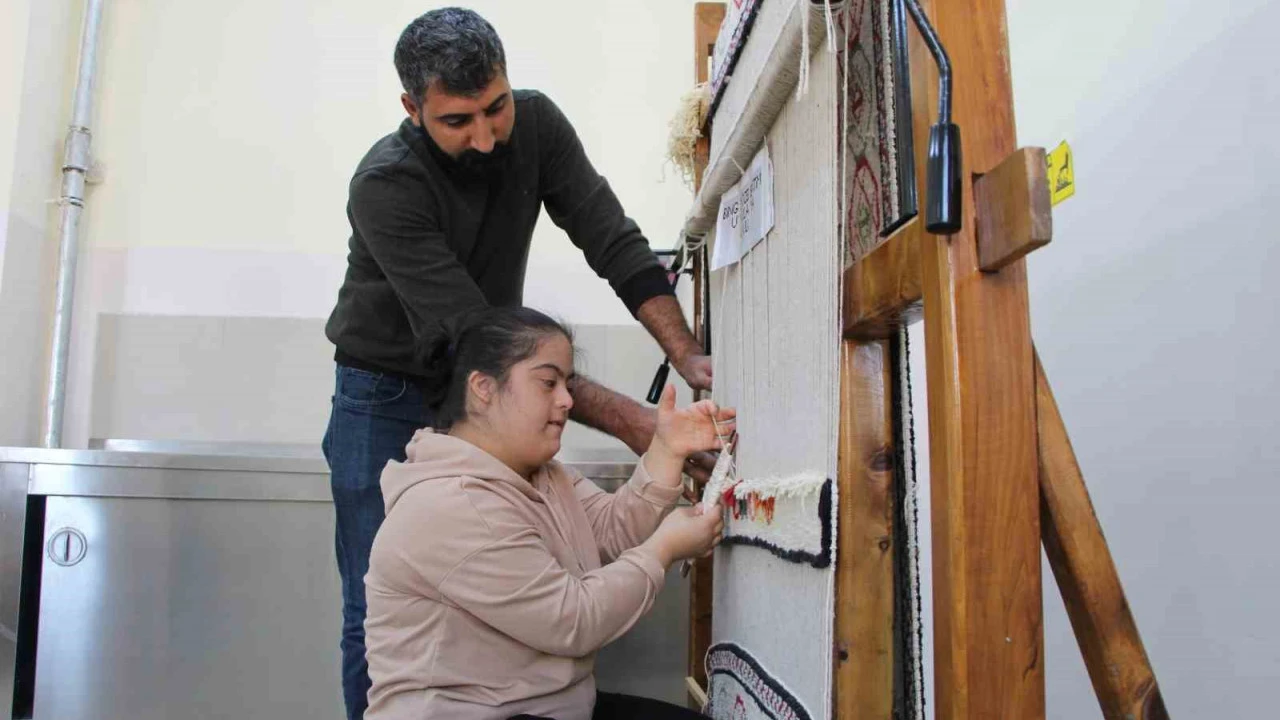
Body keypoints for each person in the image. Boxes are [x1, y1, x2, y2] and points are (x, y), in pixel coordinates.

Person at [321, 8, 714, 717]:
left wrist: (686, 354)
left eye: (495, 107)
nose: (485, 136)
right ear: (412, 109)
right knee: (371, 613)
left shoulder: (535, 127)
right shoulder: (385, 185)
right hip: (385, 391)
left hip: (492, 364)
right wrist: (635, 425)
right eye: (457, 120)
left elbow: (612, 239)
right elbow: (478, 338)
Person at [363, 306, 732, 720]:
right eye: (548, 383)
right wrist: (664, 550)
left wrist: (666, 450)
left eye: (567, 384)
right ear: (483, 388)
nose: (567, 400)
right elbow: (574, 620)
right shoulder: (452, 505)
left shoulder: (544, 475)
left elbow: (612, 530)